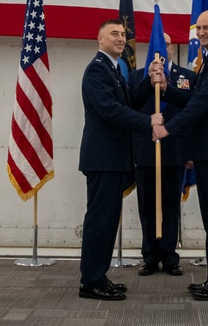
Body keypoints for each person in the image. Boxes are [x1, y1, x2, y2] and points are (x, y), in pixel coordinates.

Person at [151, 9, 208, 301]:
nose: (201, 32)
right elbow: (194, 98)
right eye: (198, 28)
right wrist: (167, 89)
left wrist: (170, 128)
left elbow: (203, 102)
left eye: (207, 27)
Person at [78, 19, 163, 301]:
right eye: (113, 34)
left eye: (123, 34)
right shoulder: (96, 70)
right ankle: (91, 281)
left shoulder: (115, 70)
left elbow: (127, 102)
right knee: (100, 220)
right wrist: (148, 121)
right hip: (103, 158)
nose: (120, 38)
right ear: (99, 39)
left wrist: (149, 81)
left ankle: (98, 276)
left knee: (107, 220)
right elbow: (110, 110)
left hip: (114, 158)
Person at [132, 33, 194, 277]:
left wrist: (190, 152)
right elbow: (131, 110)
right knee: (147, 206)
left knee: (170, 205)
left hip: (176, 150)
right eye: (158, 44)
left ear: (171, 48)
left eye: (167, 44)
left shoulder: (186, 77)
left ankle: (169, 256)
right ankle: (149, 256)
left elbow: (192, 114)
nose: (163, 49)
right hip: (146, 150)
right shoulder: (138, 77)